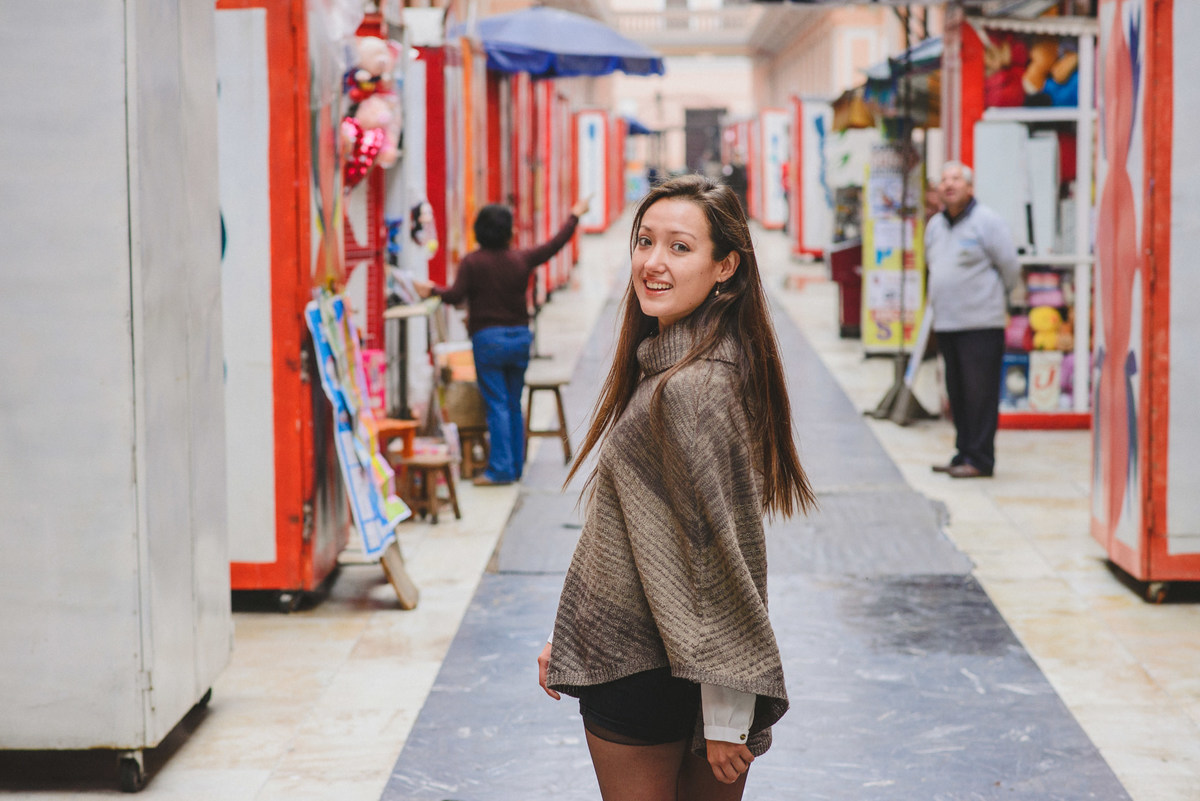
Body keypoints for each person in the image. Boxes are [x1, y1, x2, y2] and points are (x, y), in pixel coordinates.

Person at [536, 174, 815, 800]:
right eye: (644, 241)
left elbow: (718, 559)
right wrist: (578, 630)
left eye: (679, 247)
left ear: (726, 267)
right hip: (652, 658)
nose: (652, 263)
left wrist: (725, 712)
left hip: (650, 676)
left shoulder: (692, 389)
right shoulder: (680, 364)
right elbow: (634, 530)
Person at [415, 197, 590, 486]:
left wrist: (431, 289)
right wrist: (573, 215)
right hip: (520, 339)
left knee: (496, 404)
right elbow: (555, 244)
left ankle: (500, 470)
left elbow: (456, 295)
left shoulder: (473, 262)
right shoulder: (521, 259)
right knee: (512, 402)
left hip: (489, 341)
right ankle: (516, 467)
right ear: (508, 231)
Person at [925, 161, 1020, 479]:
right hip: (948, 324)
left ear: (970, 188)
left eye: (956, 179)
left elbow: (1010, 268)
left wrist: (991, 300)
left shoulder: (987, 222)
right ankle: (963, 451)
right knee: (958, 393)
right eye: (944, 179)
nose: (948, 184)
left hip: (981, 324)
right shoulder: (935, 227)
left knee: (980, 394)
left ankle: (980, 459)